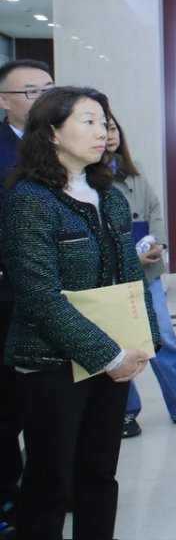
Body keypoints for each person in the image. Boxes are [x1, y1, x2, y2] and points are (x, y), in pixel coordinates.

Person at [3, 85, 158, 539]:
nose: (102, 132)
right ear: (52, 132)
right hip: (52, 362)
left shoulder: (109, 195)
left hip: (114, 358)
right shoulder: (30, 199)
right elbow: (39, 296)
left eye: (104, 123)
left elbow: (131, 276)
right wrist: (109, 355)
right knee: (50, 483)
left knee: (99, 474)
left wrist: (142, 343)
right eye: (88, 122)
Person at [107, 114, 176, 439]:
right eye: (98, 126)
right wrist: (130, 255)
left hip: (147, 270)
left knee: (163, 338)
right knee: (119, 342)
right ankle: (124, 411)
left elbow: (153, 208)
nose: (107, 134)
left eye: (111, 127)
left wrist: (159, 243)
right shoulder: (84, 177)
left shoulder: (133, 169)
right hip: (113, 276)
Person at [0, 58, 54, 532]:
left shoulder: (66, 145)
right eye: (31, 91)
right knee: (8, 406)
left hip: (61, 298)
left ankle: (50, 490)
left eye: (49, 89)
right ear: (5, 101)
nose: (42, 98)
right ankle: (8, 497)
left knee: (49, 406)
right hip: (9, 295)